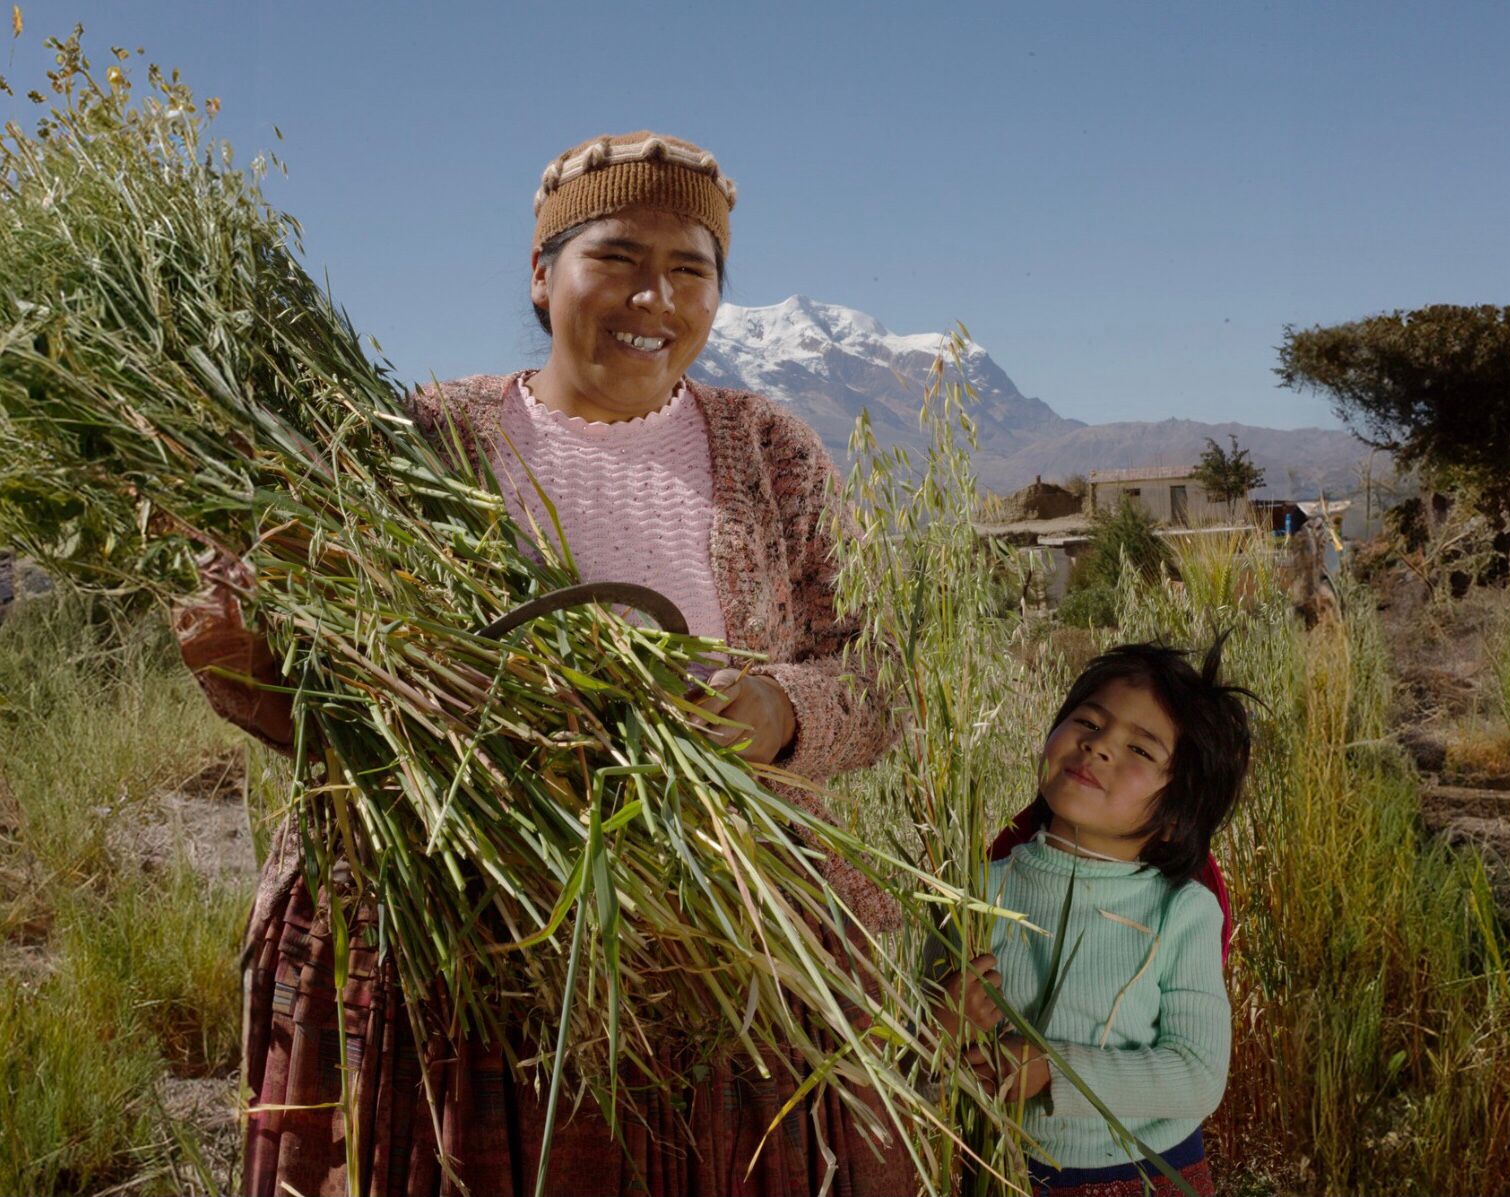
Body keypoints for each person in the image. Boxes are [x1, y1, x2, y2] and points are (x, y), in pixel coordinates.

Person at [176, 131, 913, 1197]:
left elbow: (879, 678)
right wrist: (241, 613)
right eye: (614, 257)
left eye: (690, 269)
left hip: (713, 940)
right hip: (452, 940)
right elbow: (323, 682)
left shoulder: (769, 448)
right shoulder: (420, 439)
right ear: (541, 274)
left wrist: (778, 710)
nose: (652, 296)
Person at [932, 639, 1253, 1197]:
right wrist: (945, 1025)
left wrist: (1052, 1070)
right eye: (1088, 720)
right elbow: (919, 1055)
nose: (1099, 746)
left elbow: (1198, 1076)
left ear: (1177, 817)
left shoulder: (1180, 911)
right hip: (999, 1172)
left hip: (1147, 1176)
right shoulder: (973, 892)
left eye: (1141, 750)